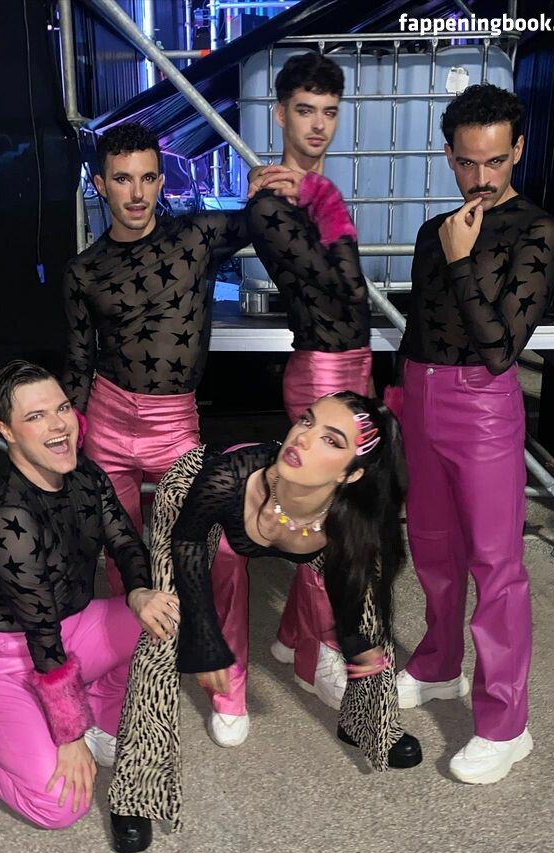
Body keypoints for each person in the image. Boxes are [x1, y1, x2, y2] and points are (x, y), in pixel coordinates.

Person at [107, 392, 422, 853]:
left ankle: (369, 723)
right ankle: (137, 791)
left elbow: (351, 594)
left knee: (371, 620)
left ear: (351, 473)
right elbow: (189, 544)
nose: (303, 438)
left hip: (311, 519)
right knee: (163, 633)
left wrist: (359, 646)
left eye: (330, 439)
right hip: (196, 503)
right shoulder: (227, 477)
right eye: (307, 421)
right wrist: (205, 641)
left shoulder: (351, 517)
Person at [0, 360, 178, 828]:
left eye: (61, 408)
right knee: (61, 806)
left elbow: (125, 542)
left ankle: (99, 711)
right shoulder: (8, 514)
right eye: (36, 416)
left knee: (164, 619)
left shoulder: (87, 475)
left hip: (70, 628)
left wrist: (140, 592)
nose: (58, 425)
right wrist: (68, 732)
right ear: (7, 431)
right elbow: (40, 631)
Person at [395, 84, 554, 784]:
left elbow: (500, 349)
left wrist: (463, 259)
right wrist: (399, 397)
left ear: (517, 150)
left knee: (497, 566)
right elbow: (420, 324)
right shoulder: (434, 229)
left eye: (495, 161)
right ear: (449, 155)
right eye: (468, 162)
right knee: (433, 546)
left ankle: (505, 724)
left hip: (484, 404)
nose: (482, 177)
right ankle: (438, 665)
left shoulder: (535, 230)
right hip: (422, 395)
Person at [238, 53, 372, 723]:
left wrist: (320, 196)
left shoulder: (316, 193)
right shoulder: (269, 204)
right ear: (280, 114)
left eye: (329, 113)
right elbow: (346, 292)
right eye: (304, 111)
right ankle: (324, 655)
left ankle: (295, 637)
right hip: (320, 373)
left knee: (341, 509)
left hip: (357, 366)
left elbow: (353, 304)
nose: (317, 125)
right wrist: (322, 199)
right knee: (327, 527)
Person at [62, 122, 251, 598]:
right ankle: (133, 634)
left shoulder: (195, 237)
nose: (137, 193)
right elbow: (79, 359)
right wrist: (69, 434)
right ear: (100, 184)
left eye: (147, 178)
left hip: (174, 424)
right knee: (119, 548)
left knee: (194, 544)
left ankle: (193, 632)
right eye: (123, 179)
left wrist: (277, 178)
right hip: (106, 419)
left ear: (161, 181)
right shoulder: (83, 270)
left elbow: (266, 218)